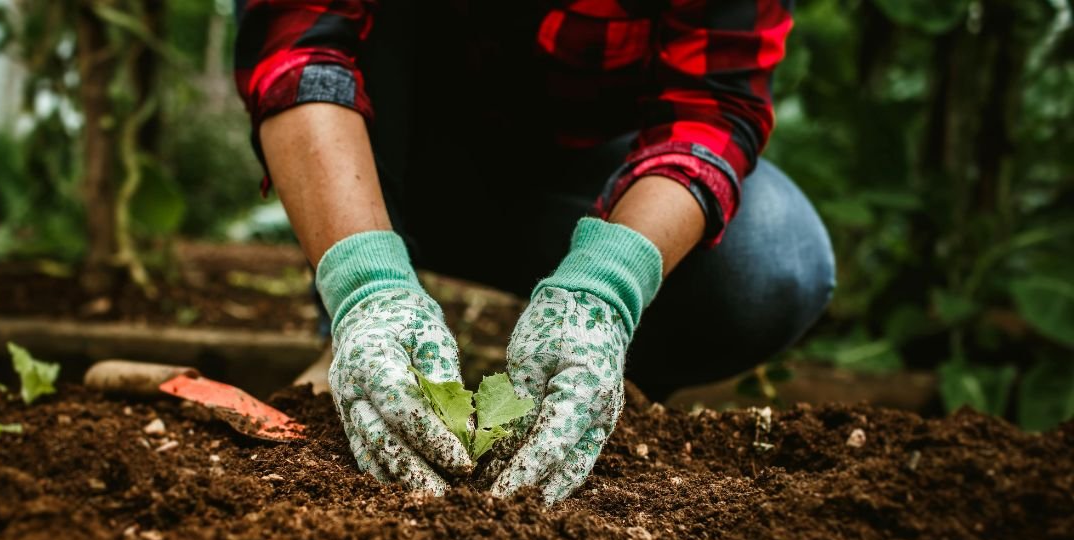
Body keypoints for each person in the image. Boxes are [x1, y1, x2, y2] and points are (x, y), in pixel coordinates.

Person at [233, 1, 835, 503]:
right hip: (386, 169)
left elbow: (712, 109)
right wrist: (365, 288)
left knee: (773, 257)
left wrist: (604, 287)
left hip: (586, 189)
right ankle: (356, 337)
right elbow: (298, 46)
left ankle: (592, 381)